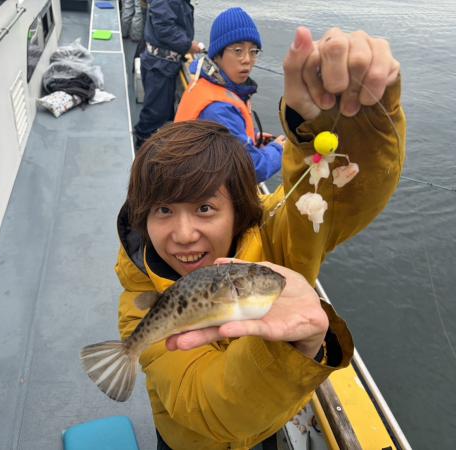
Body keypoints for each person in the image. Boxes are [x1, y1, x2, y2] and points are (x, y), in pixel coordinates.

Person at [115, 26, 404, 450]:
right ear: (142, 218)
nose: (183, 234)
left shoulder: (276, 238)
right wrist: (282, 353)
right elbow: (204, 405)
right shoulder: (138, 295)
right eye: (163, 211)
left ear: (239, 210)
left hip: (267, 425)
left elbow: (339, 197)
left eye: (205, 208)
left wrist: (354, 120)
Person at [175, 7, 286, 182]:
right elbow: (250, 169)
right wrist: (278, 149)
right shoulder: (218, 109)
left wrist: (253, 137)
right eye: (238, 51)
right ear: (217, 55)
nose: (247, 59)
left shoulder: (206, 83)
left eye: (253, 51)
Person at [133, 0, 202, 150]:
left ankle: (154, 137)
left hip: (166, 64)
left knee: (163, 108)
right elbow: (163, 27)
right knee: (155, 110)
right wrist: (188, 45)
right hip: (159, 65)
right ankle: (143, 141)